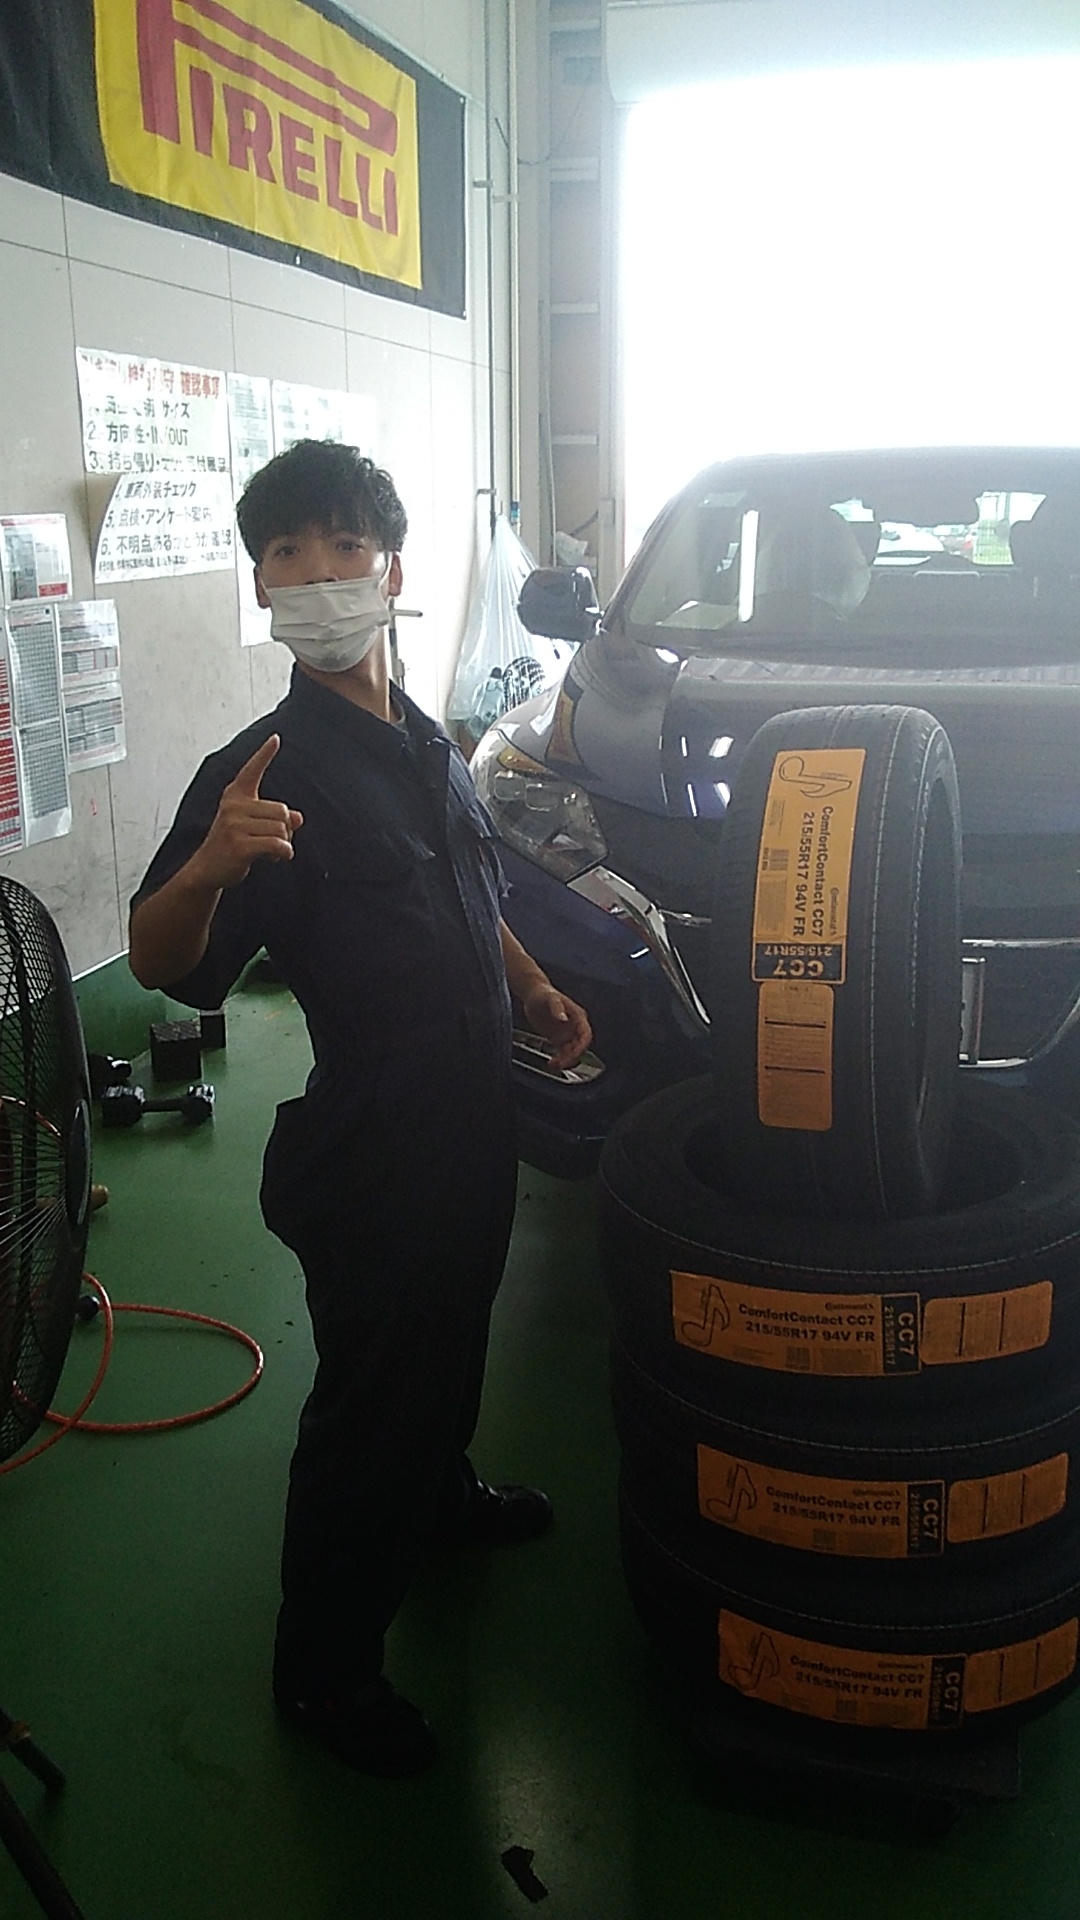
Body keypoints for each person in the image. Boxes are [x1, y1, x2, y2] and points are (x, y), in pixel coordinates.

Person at [128, 439, 592, 1777]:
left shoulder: (425, 737)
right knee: (373, 1402)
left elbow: (468, 887)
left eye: (343, 546)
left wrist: (529, 983)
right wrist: (209, 869)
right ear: (264, 587)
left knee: (453, 1338)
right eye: (288, 553)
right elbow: (161, 960)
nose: (318, 573)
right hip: (378, 1141)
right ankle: (325, 1677)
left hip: (475, 1114)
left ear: (391, 570)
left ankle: (440, 1501)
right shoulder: (262, 776)